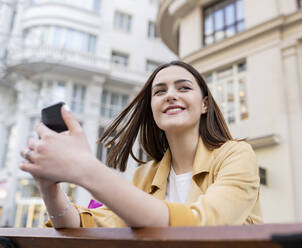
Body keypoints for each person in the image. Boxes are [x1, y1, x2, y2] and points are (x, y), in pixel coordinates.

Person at [20, 61, 262, 228]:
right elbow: (89, 224)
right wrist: (48, 186)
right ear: (153, 109)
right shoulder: (146, 175)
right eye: (159, 92)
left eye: (184, 87)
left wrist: (86, 169)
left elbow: (204, 226)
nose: (170, 95)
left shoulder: (236, 155)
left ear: (204, 105)